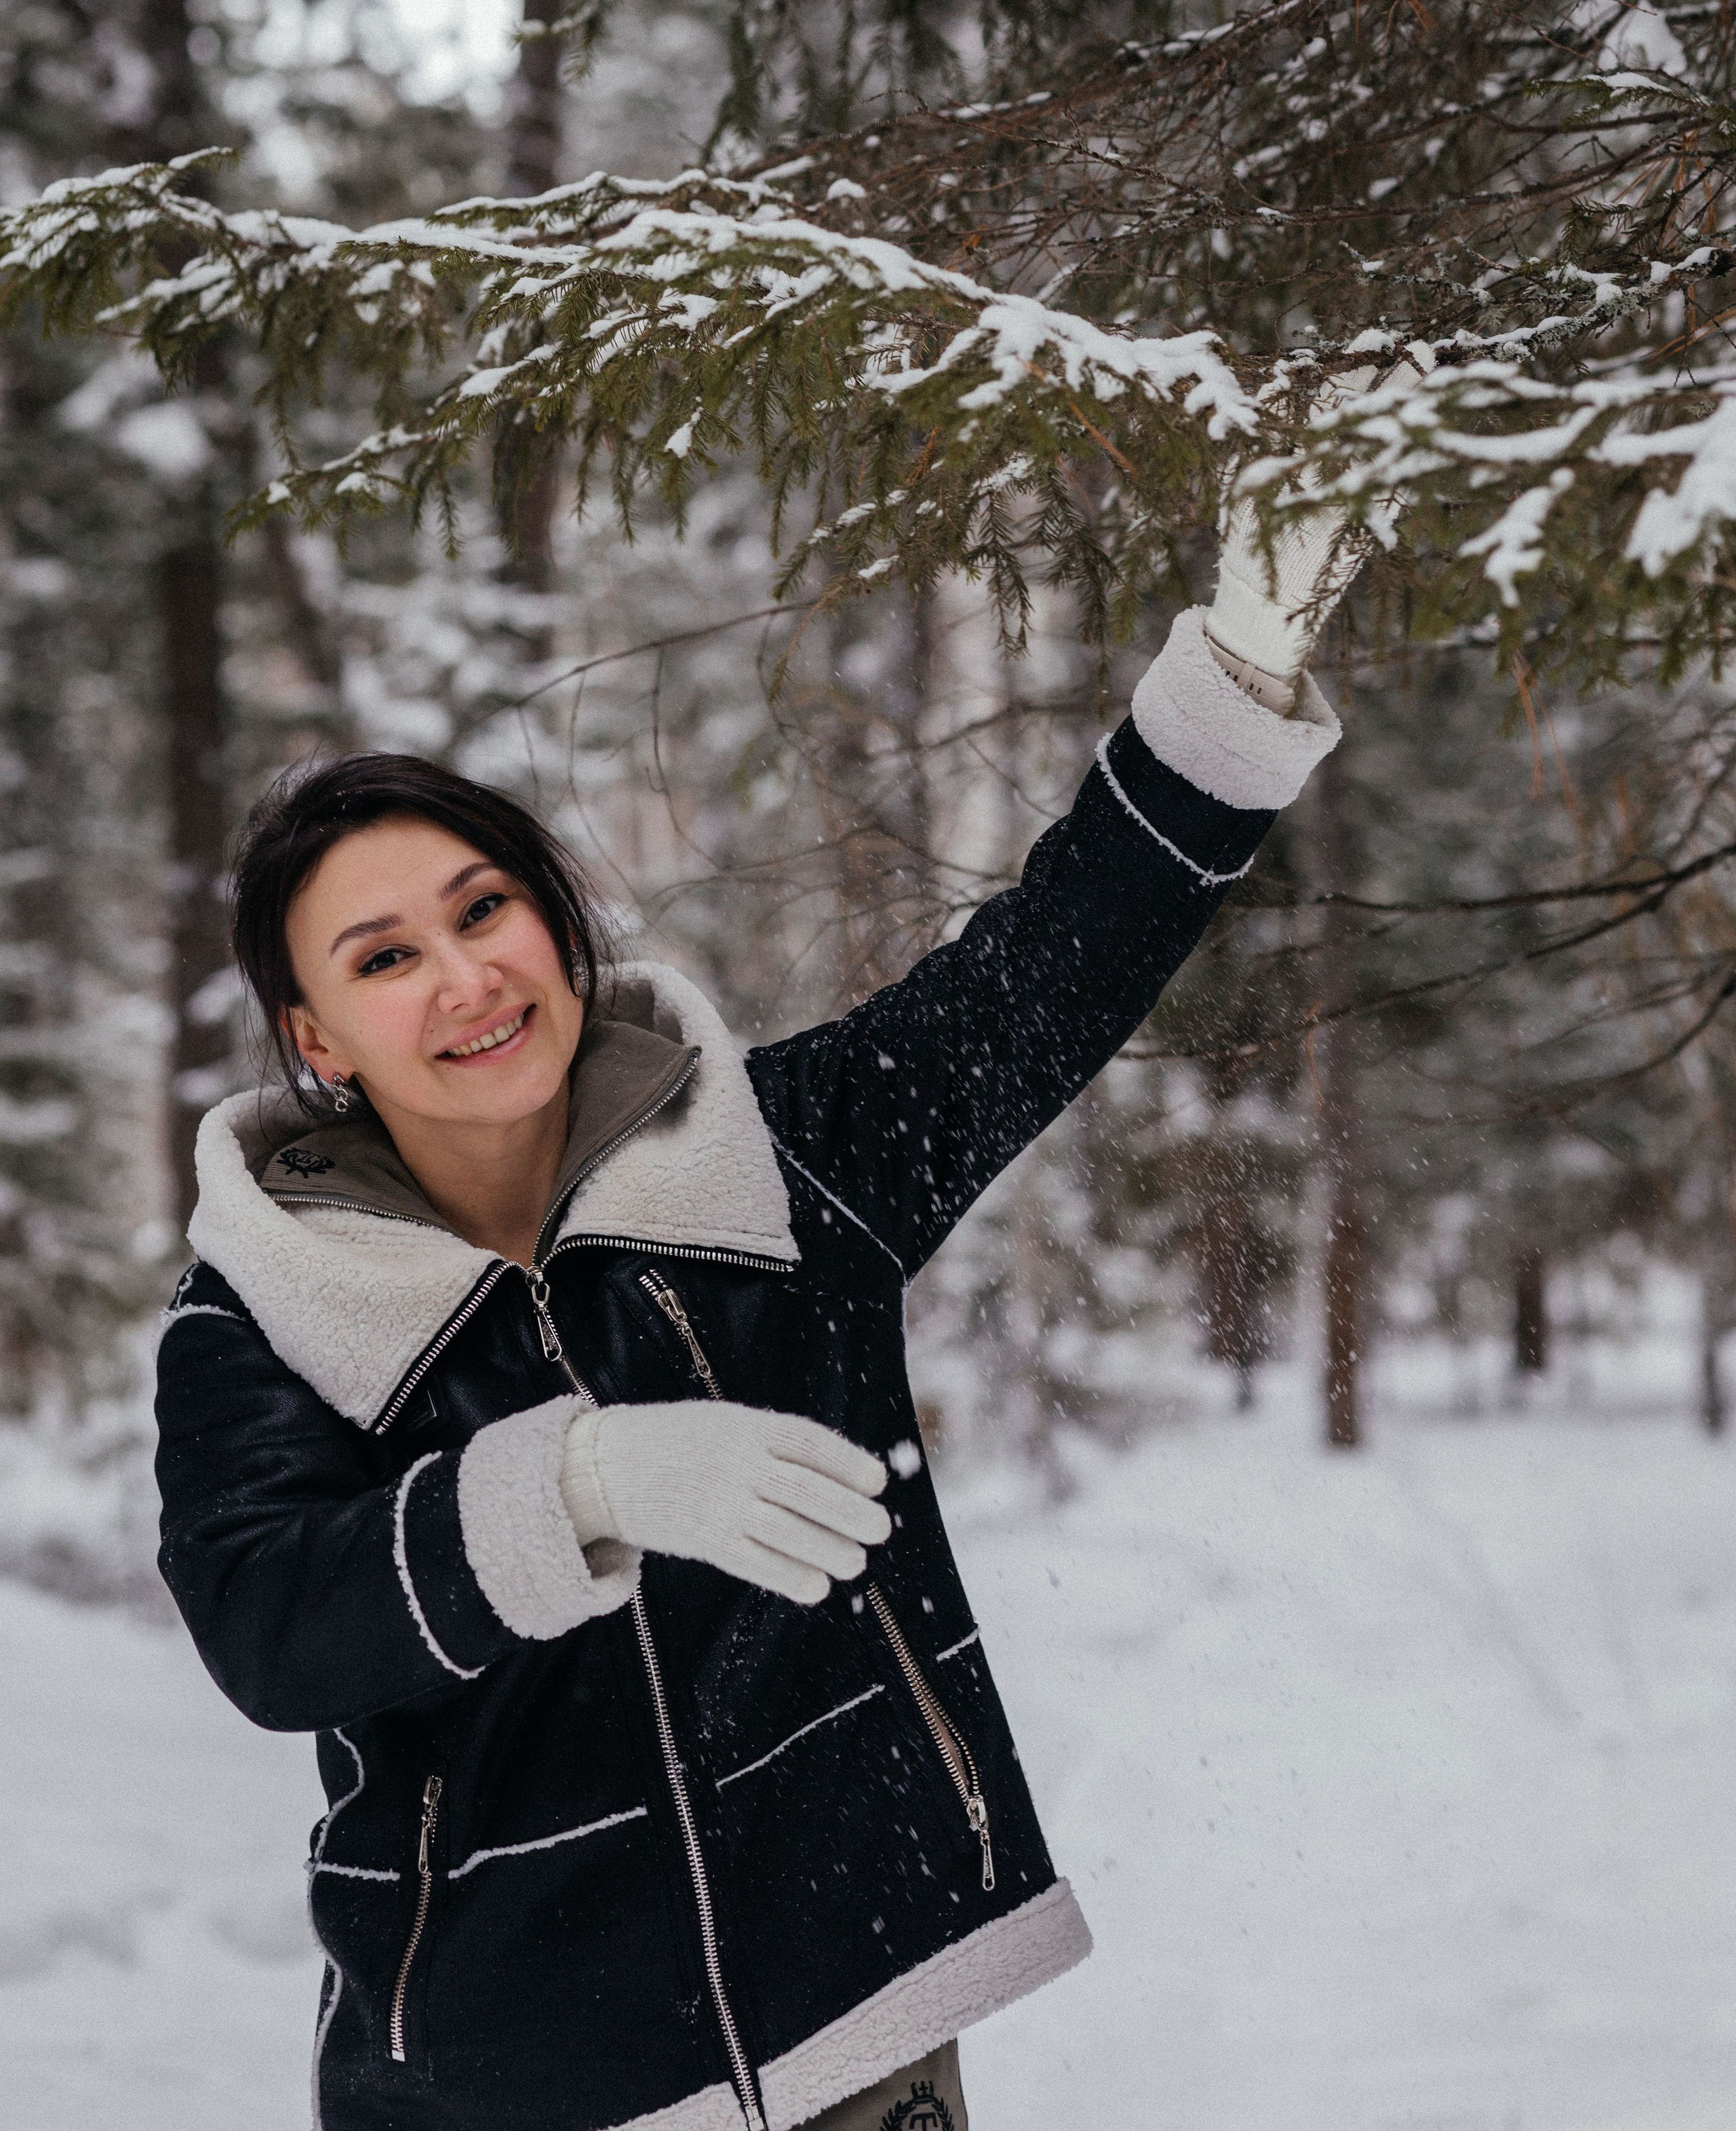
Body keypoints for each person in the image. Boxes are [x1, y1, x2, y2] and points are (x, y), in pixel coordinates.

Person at [155, 508, 1349, 2131]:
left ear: (555, 924)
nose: (464, 977)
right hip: (511, 2074)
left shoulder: (771, 1169)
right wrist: (577, 1485)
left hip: (854, 2004)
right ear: (319, 1038)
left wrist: (1232, 677)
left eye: (485, 909)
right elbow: (267, 1624)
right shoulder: (266, 1310)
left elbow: (1044, 977)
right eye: (385, 957)